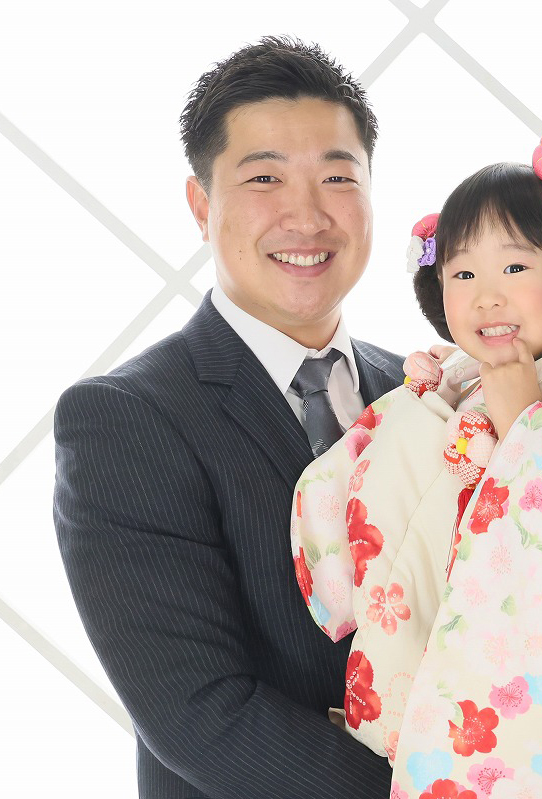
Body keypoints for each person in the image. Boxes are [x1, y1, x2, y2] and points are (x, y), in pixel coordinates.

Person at [53, 38, 403, 798]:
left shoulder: (423, 390)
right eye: (265, 178)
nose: (306, 215)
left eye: (337, 177)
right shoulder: (126, 419)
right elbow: (199, 712)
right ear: (201, 206)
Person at [291, 128, 542, 799]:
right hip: (422, 688)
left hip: (521, 719)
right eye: (463, 274)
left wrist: (523, 424)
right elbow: (358, 481)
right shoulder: (455, 376)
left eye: (514, 268)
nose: (486, 296)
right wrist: (423, 410)